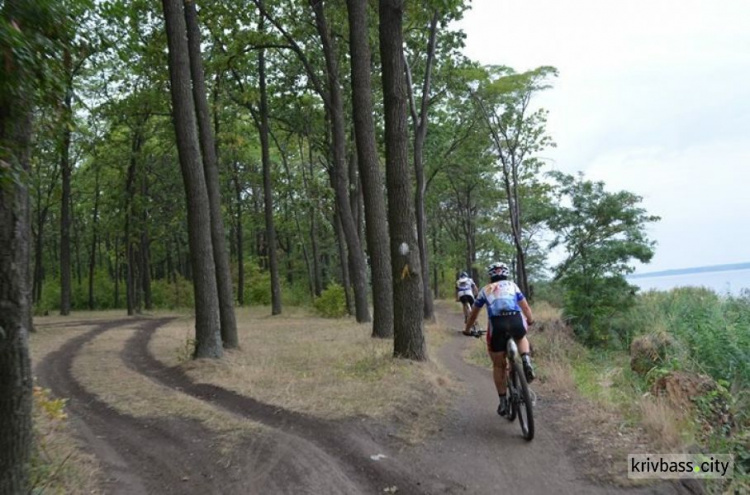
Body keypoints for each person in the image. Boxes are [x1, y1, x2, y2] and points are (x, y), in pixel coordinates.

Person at [464, 262, 536, 417]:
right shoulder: (513, 286)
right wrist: (530, 320)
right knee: (521, 336)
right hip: (515, 321)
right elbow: (526, 308)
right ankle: (526, 360)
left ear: (491, 275)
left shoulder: (485, 290)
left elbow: (473, 314)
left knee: (498, 365)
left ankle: (503, 402)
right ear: (506, 274)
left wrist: (467, 329)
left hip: (497, 325)